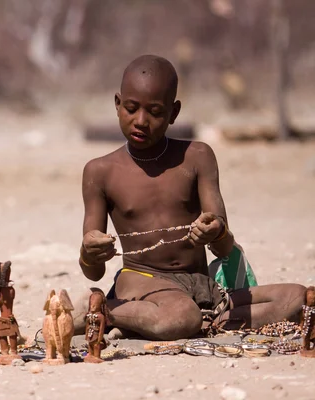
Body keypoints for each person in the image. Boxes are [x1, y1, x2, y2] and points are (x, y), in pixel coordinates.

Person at [77, 55, 306, 341]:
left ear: (174, 113)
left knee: (298, 298)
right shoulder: (100, 171)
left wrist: (216, 230)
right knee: (182, 316)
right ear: (117, 104)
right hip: (141, 282)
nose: (141, 121)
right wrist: (89, 251)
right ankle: (100, 312)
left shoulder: (197, 157)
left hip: (201, 287)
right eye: (132, 108)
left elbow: (223, 248)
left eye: (156, 112)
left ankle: (205, 322)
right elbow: (93, 271)